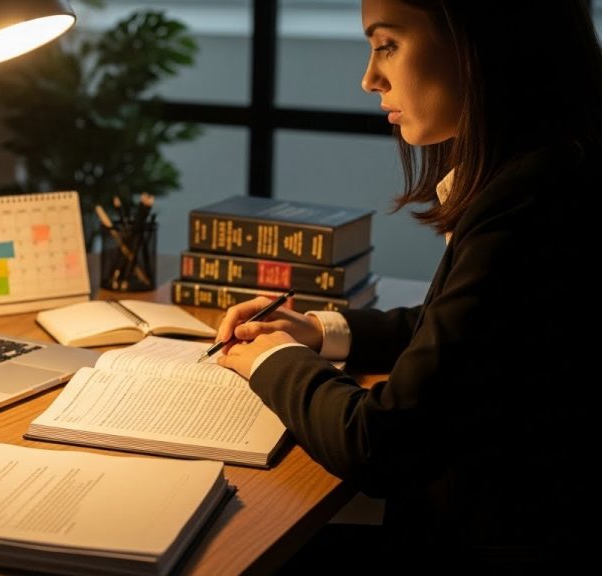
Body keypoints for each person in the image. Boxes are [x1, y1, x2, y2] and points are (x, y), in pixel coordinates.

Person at [216, 0, 599, 571]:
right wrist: (321, 331)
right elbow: (461, 337)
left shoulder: (532, 199)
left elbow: (384, 443)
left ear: (480, 44)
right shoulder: (546, 169)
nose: (369, 78)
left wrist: (276, 358)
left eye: (387, 45)